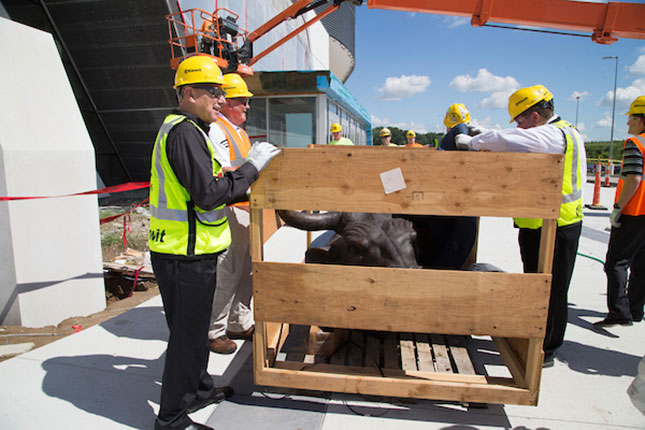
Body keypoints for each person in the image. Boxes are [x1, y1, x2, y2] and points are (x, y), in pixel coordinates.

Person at [148, 55, 280, 430]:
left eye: (223, 94)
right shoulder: (184, 132)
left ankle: (200, 388)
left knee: (191, 333)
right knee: (187, 339)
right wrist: (251, 169)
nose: (221, 100)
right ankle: (171, 418)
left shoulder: (190, 129)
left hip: (188, 250)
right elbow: (208, 194)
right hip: (182, 254)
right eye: (213, 92)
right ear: (189, 93)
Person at [455, 85, 586, 368]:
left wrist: (473, 142)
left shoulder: (554, 134)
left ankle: (546, 349)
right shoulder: (557, 131)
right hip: (540, 224)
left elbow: (508, 139)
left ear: (536, 117)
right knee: (536, 286)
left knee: (550, 289)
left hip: (556, 226)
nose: (518, 126)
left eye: (520, 120)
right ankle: (537, 337)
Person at [206, 73, 256, 354]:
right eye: (242, 101)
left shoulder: (241, 132)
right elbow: (227, 171)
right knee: (228, 272)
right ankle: (214, 330)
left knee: (246, 271)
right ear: (225, 102)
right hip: (230, 211)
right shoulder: (217, 130)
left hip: (246, 210)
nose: (246, 107)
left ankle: (239, 321)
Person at [594, 95, 645, 327]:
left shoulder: (636, 144)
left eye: (631, 118)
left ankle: (619, 312)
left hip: (635, 212)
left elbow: (634, 178)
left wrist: (617, 208)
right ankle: (635, 309)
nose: (628, 124)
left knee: (616, 262)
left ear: (642, 120)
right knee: (642, 263)